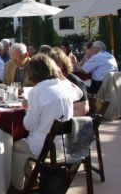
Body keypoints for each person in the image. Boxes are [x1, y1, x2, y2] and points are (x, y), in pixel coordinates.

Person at [10, 54, 82, 192]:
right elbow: (78, 92)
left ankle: (18, 186)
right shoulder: (63, 86)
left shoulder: (37, 91)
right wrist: (62, 77)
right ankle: (33, 176)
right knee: (21, 146)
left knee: (12, 147)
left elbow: (29, 125)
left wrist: (27, 107)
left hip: (44, 145)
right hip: (65, 144)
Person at [47, 48, 89, 116]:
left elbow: (83, 109)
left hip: (70, 122)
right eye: (52, 65)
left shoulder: (74, 81)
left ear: (64, 65)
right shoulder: (51, 80)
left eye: (58, 65)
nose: (54, 68)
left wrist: (58, 118)